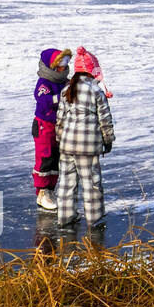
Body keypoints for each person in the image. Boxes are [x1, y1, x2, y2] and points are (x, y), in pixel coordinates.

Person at [55, 46, 115, 228]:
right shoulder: (96, 91)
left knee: (66, 184)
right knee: (91, 185)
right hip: (87, 147)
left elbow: (60, 119)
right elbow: (104, 119)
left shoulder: (67, 89)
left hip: (67, 146)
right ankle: (94, 220)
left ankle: (65, 218)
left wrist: (60, 139)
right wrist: (108, 140)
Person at [31, 48, 71, 212]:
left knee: (56, 158)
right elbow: (44, 100)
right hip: (44, 126)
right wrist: (61, 96)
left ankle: (50, 190)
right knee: (45, 158)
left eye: (65, 65)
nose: (63, 68)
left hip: (59, 125)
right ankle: (41, 192)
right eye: (60, 65)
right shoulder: (44, 83)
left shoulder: (64, 81)